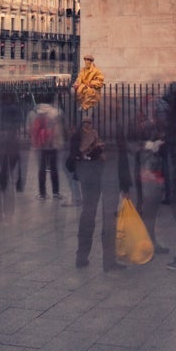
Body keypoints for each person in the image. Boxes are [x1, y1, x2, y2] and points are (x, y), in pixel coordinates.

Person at [66, 115, 127, 271]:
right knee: (108, 215)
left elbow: (73, 156)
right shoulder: (113, 126)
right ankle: (109, 260)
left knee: (88, 212)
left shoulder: (82, 126)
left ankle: (82, 256)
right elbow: (122, 151)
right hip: (107, 173)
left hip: (89, 173)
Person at [29, 96, 64, 200]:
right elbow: (59, 129)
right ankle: (56, 192)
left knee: (41, 169)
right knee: (54, 169)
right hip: (53, 144)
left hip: (41, 145)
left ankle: (42, 193)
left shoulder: (35, 113)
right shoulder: (56, 112)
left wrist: (35, 142)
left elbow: (32, 129)